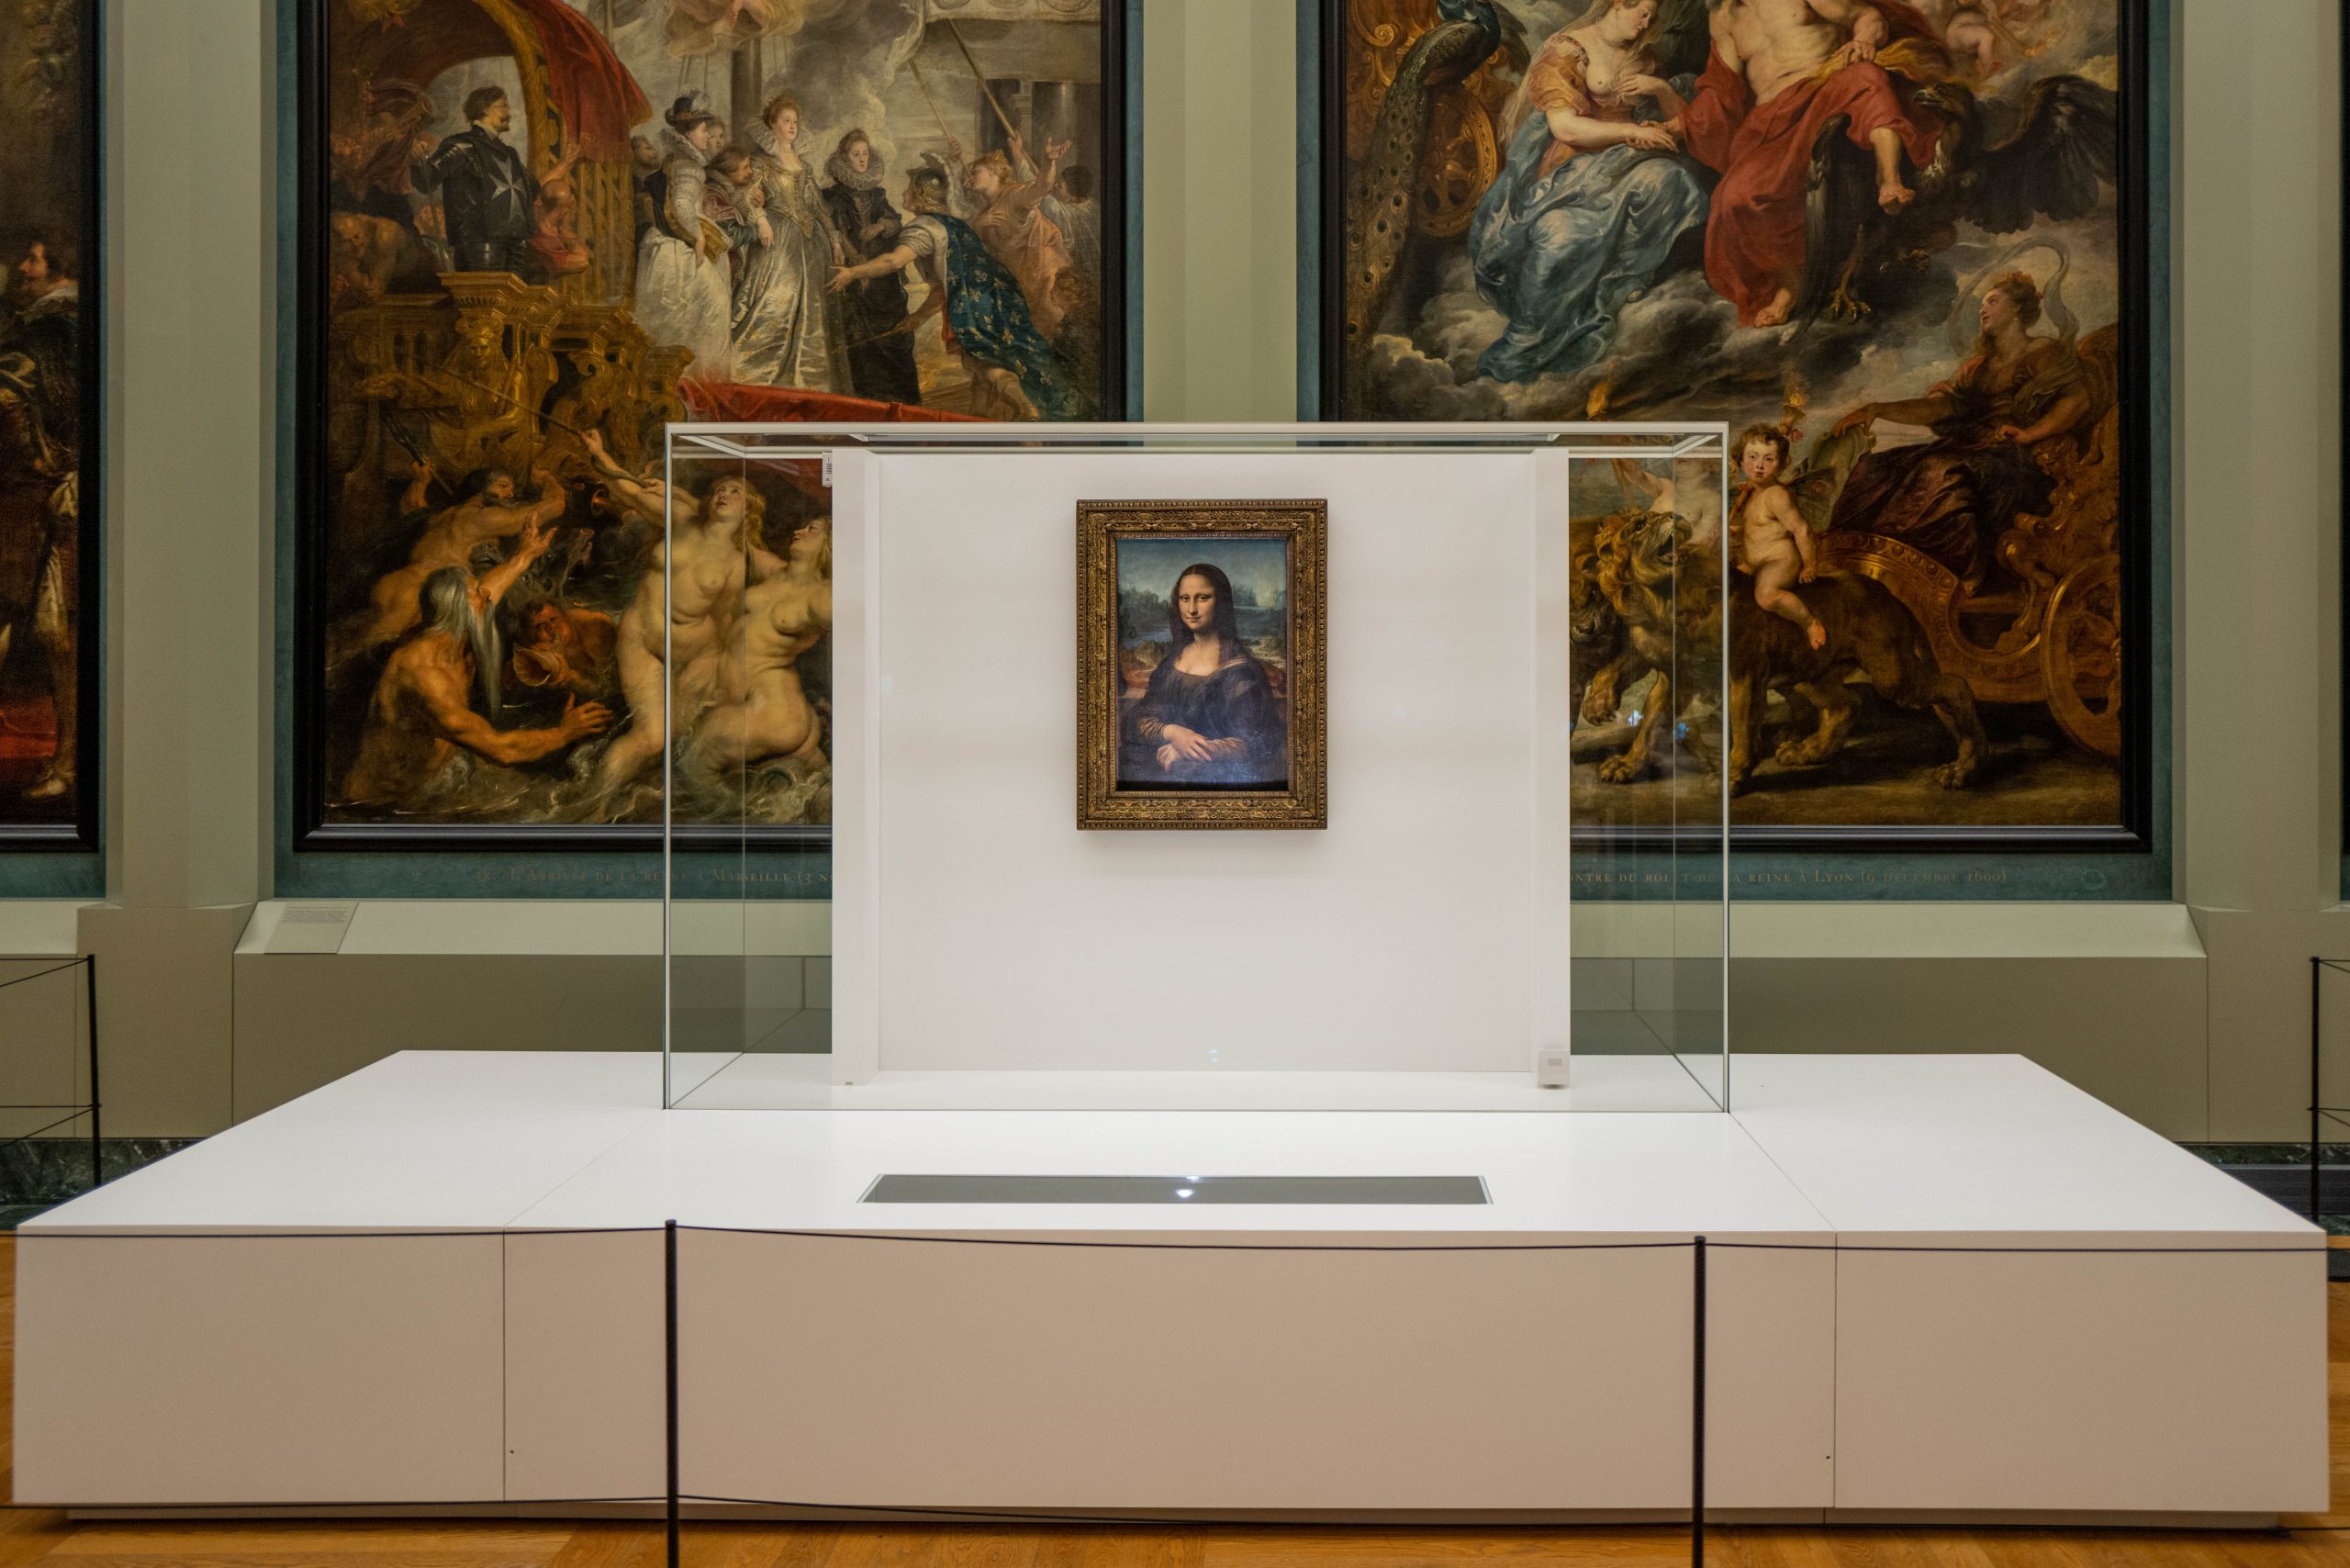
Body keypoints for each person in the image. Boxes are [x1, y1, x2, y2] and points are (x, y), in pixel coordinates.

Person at [1466, 0, 1709, 381]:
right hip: (1571, 167)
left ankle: (1618, 281)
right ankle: (1529, 341)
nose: (1647, 22)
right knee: (1563, 233)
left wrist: (1659, 88)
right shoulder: (1567, 49)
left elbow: (1679, 119)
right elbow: (1566, 128)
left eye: (1651, 14)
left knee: (1674, 182)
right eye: (1641, 11)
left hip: (1627, 160)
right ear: (1616, 4)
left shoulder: (1642, 55)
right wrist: (1630, 131)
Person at [1669, 0, 1944, 327]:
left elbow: (1867, 16)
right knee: (1736, 198)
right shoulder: (1722, 16)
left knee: (1866, 78)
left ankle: (1889, 179)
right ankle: (1791, 282)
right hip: (1769, 121)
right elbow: (1722, 93)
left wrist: (1863, 38)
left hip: (1823, 87)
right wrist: (1677, 124)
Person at [1827, 271, 2096, 582]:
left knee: (1941, 472)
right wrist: (1876, 409)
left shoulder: (2041, 352)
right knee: (1871, 468)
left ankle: (1950, 578)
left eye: (1993, 302)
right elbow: (1940, 407)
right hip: (1972, 451)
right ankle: (1862, 563)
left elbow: (2077, 400)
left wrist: (2030, 433)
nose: (1983, 310)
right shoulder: (1977, 367)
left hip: (2016, 460)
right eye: (1982, 304)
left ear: (2018, 309)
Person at [341, 518, 612, 809]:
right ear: (461, 613)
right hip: (385, 803)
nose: (487, 597)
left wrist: (526, 553)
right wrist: (564, 733)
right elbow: (501, 751)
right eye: (479, 596)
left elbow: (492, 586)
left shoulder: (454, 632)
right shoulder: (426, 678)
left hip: (442, 775)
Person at [580, 431, 780, 790]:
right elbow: (629, 491)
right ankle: (585, 809)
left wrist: (708, 668)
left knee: (673, 740)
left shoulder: (737, 564)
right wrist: (599, 451)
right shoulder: (683, 518)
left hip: (689, 651)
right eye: (721, 488)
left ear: (747, 509)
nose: (724, 494)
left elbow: (723, 624)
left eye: (735, 491)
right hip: (640, 636)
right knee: (650, 738)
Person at [827, 156, 1081, 421]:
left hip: (974, 300)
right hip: (1001, 294)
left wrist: (853, 273)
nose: (903, 193)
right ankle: (979, 417)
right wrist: (919, 316)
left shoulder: (923, 228)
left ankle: (1025, 408)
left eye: (909, 190)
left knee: (980, 361)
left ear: (921, 195)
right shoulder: (953, 224)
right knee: (988, 356)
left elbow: (893, 261)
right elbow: (941, 287)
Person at [341, 461, 567, 659]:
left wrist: (421, 481)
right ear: (481, 490)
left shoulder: (443, 515)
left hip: (395, 583)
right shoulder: (484, 517)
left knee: (350, 639)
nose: (510, 494)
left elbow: (411, 510)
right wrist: (545, 477)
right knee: (356, 656)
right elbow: (555, 506)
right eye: (503, 485)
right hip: (415, 596)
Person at [0, 238, 77, 801]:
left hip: (60, 500)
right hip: (35, 498)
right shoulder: (32, 329)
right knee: (51, 635)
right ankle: (69, 763)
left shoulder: (61, 326)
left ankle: (73, 764)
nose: (23, 268)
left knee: (61, 635)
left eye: (35, 258)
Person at [1119, 562, 1285, 788]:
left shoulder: (1241, 670)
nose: (1192, 609)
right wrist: (1173, 732)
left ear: (1221, 603)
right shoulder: (1172, 662)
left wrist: (1192, 749)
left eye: (1203, 598)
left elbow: (1253, 742)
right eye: (1185, 598)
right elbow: (1139, 718)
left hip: (1214, 774)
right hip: (1160, 762)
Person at [730, 94, 850, 392]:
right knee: (772, 306)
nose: (792, 126)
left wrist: (835, 239)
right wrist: (760, 218)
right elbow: (743, 196)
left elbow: (819, 207)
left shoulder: (804, 166)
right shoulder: (760, 163)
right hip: (778, 242)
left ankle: (812, 384)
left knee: (815, 313)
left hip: (812, 245)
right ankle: (757, 378)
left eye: (795, 121)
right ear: (772, 125)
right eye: (786, 121)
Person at [695, 512, 832, 773]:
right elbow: (737, 539)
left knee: (693, 767)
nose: (799, 531)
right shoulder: (775, 571)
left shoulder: (822, 595)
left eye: (812, 528)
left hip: (774, 712)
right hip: (755, 707)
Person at [634, 95, 734, 382]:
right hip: (677, 250)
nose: (706, 136)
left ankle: (697, 380)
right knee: (714, 306)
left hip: (664, 248)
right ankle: (707, 382)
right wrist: (698, 239)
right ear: (689, 133)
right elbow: (679, 207)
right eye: (704, 130)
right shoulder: (688, 165)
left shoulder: (675, 160)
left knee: (696, 314)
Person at [821, 129, 923, 405]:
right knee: (862, 341)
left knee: (895, 336)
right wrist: (856, 264)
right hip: (853, 278)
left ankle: (904, 402)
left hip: (883, 278)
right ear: (845, 158)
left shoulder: (877, 193)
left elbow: (894, 219)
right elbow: (836, 233)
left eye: (865, 153)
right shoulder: (832, 197)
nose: (862, 159)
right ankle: (870, 402)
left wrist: (880, 226)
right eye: (856, 154)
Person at [949, 133, 1076, 338]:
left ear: (993, 172)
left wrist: (1049, 161)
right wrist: (977, 225)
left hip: (1043, 277)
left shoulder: (1015, 195)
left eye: (976, 171)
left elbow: (1042, 187)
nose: (970, 177)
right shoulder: (985, 212)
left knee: (1048, 334)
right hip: (1017, 282)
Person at [412, 85, 540, 274]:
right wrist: (416, 159)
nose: (508, 113)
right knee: (482, 296)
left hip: (516, 243)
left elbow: (532, 188)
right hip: (479, 242)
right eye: (502, 106)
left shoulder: (509, 154)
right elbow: (427, 180)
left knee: (513, 300)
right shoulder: (462, 146)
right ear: (485, 109)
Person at [1731, 425, 1825, 649]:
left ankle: (1809, 622)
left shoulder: (1776, 495)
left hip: (1780, 561)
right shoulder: (1750, 493)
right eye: (1752, 457)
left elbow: (1801, 529)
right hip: (1754, 563)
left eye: (1769, 459)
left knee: (1766, 596)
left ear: (1781, 464)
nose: (1759, 466)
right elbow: (1756, 528)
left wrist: (1810, 564)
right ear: (1741, 460)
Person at [1040, 163, 1101, 286]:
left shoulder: (1062, 212)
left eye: (1060, 186)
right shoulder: (1094, 205)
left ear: (1073, 195)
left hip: (1079, 272)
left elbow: (1040, 190)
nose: (1055, 186)